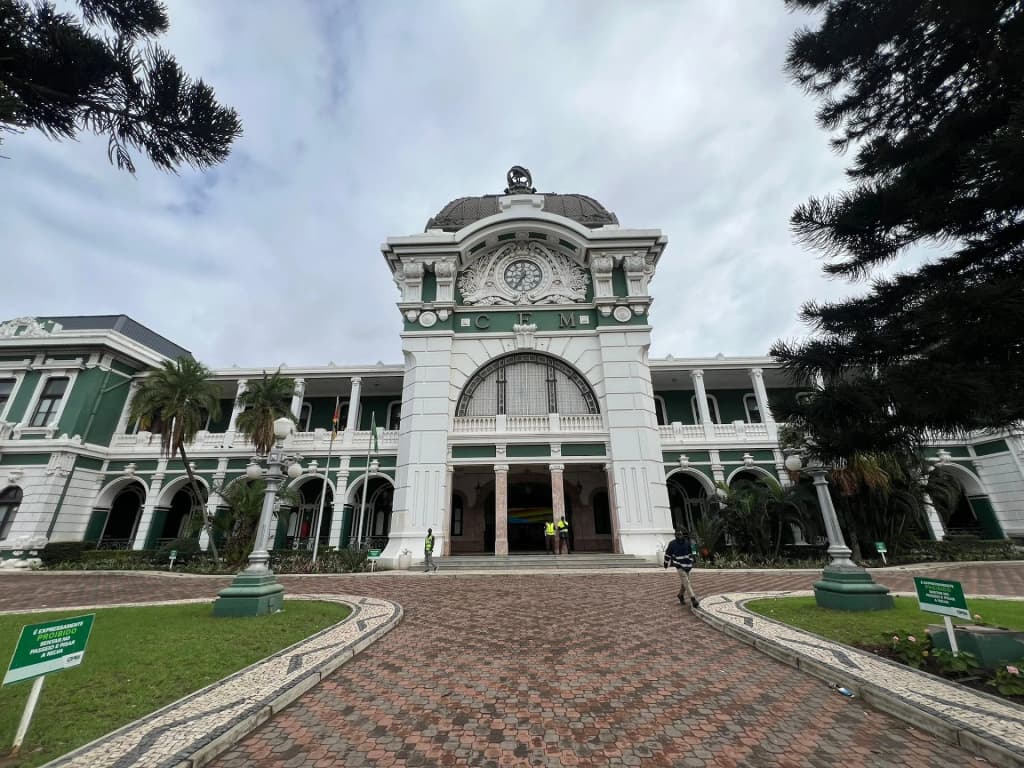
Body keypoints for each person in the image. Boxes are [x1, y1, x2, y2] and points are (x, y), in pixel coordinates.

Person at [663, 529, 699, 607]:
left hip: (688, 565)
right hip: (679, 565)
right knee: (686, 582)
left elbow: (694, 553)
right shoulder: (672, 544)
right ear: (675, 535)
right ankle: (693, 598)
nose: (679, 536)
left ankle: (680, 595)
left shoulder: (688, 542)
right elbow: (667, 554)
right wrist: (666, 563)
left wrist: (693, 545)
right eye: (677, 534)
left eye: (680, 534)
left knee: (685, 583)